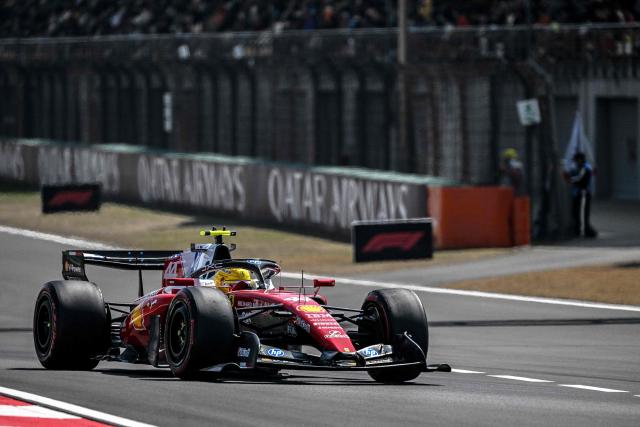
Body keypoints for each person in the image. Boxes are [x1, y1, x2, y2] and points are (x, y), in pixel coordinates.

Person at [568, 152, 597, 237]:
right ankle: (580, 230)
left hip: (584, 194)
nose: (575, 162)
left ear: (580, 160)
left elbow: (580, 180)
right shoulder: (581, 167)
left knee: (582, 214)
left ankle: (583, 231)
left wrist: (570, 179)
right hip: (579, 194)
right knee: (577, 213)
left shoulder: (586, 168)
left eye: (576, 160)